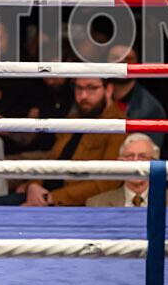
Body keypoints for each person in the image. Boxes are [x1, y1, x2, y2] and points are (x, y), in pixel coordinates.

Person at [20, 77, 126, 206]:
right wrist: (33, 186)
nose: (83, 96)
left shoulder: (119, 126)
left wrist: (51, 197)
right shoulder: (72, 118)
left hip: (71, 205)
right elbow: (52, 159)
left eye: (92, 88)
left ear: (108, 90)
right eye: (79, 88)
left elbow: (107, 183)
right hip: (43, 195)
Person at [87, 133, 168, 207]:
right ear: (119, 162)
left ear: (156, 164)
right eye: (129, 156)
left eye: (142, 157)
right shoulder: (96, 204)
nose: (136, 162)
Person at [107, 44, 166, 147]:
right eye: (116, 58)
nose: (122, 64)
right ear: (106, 62)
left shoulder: (151, 108)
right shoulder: (92, 98)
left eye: (128, 59)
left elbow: (147, 154)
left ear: (137, 63)